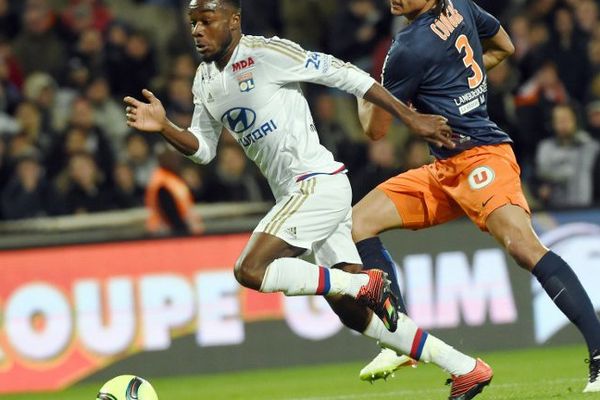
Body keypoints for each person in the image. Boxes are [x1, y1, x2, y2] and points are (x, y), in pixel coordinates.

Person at [124, 1, 489, 398]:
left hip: (316, 185)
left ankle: (360, 282)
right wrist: (164, 127)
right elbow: (203, 149)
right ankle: (466, 368)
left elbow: (345, 74)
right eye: (193, 22)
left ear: (233, 20)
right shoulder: (204, 81)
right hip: (297, 196)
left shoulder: (267, 54)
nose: (197, 30)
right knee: (354, 313)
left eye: (207, 21)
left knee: (250, 270)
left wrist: (410, 117)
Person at [352, 0, 600, 396]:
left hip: (481, 156)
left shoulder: (407, 47)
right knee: (359, 221)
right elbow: (504, 47)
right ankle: (399, 337)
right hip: (444, 168)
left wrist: (365, 91)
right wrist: (458, 89)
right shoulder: (462, 6)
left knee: (524, 247)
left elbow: (375, 130)